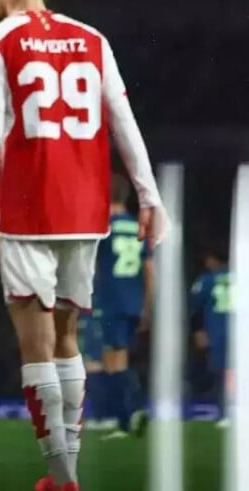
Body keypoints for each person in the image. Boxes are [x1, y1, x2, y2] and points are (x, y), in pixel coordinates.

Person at [0, 0, 165, 491]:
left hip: (30, 206)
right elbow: (123, 122)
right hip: (85, 210)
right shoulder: (92, 38)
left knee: (33, 341)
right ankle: (66, 470)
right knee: (68, 337)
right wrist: (149, 197)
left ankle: (61, 471)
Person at [95, 172, 154, 439]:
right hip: (133, 300)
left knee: (114, 360)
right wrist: (148, 306)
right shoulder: (137, 225)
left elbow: (92, 266)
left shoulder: (103, 226)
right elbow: (150, 269)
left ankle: (130, 414)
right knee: (120, 357)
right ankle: (125, 415)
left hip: (111, 299)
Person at [190, 247, 231, 427]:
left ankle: (224, 411)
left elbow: (195, 308)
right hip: (240, 331)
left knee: (221, 372)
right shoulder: (244, 276)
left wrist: (198, 330)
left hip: (217, 331)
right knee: (233, 372)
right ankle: (229, 409)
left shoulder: (207, 280)